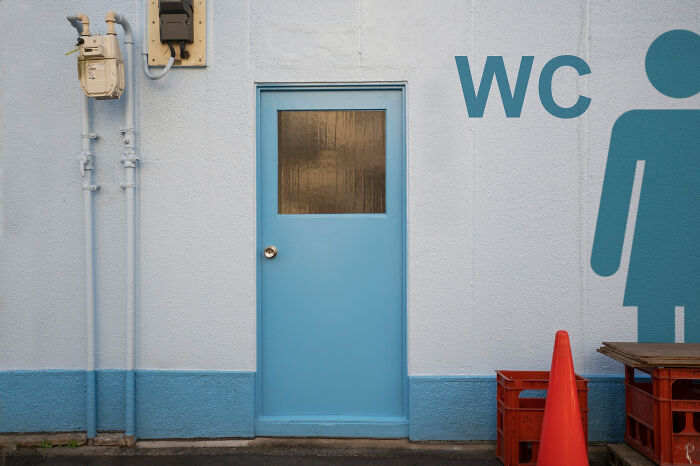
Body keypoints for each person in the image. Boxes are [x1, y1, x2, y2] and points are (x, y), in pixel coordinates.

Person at [591, 29, 700, 343]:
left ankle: (666, 385)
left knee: (655, 324)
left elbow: (618, 191)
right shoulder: (635, 124)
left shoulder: (634, 124)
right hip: (665, 247)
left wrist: (606, 256)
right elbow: (619, 187)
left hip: (650, 247)